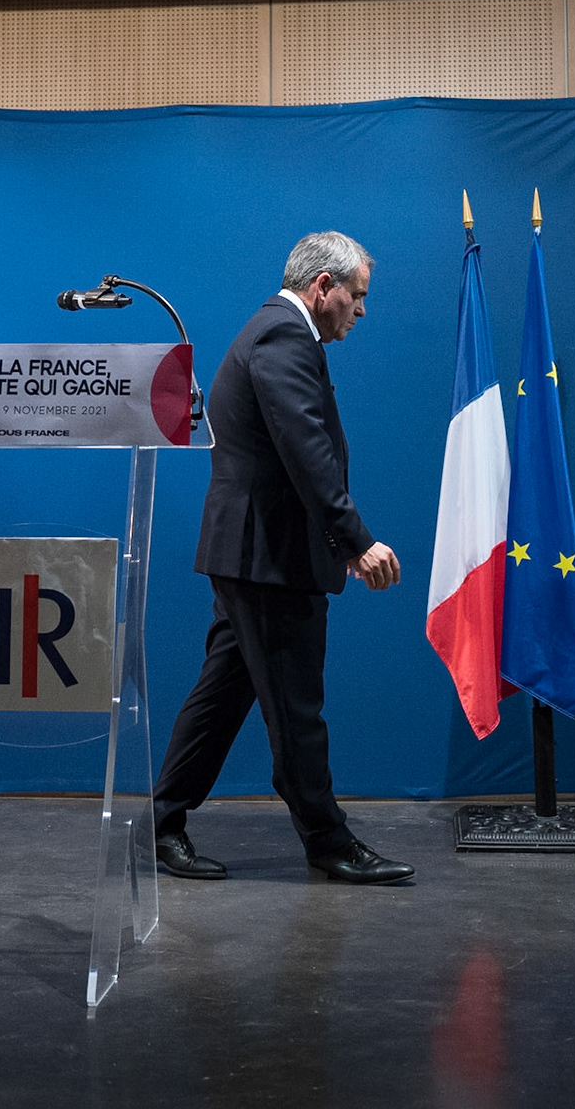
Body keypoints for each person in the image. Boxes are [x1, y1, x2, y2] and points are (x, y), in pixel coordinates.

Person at [152, 231, 415, 885]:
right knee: (296, 711)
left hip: (256, 554)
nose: (362, 310)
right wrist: (355, 540)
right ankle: (328, 842)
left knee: (221, 696)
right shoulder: (283, 337)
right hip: (267, 558)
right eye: (357, 295)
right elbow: (306, 450)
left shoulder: (278, 333)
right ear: (323, 286)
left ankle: (160, 824)